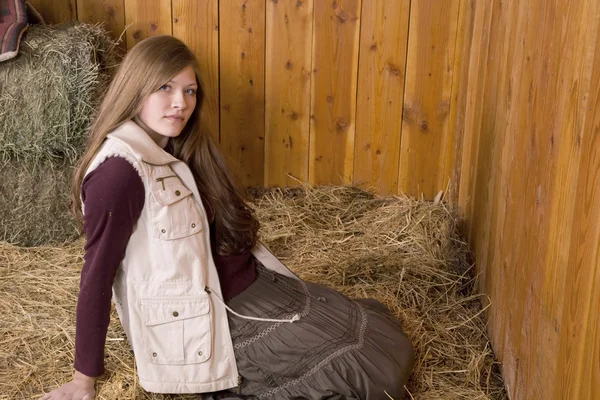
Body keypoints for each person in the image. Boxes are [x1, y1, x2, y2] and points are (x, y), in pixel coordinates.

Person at [40, 35, 414, 400]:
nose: (179, 103)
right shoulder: (119, 172)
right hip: (214, 313)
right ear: (135, 89)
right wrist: (83, 380)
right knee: (367, 374)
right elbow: (97, 274)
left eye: (189, 91)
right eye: (165, 88)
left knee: (377, 342)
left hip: (244, 286)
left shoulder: (175, 148)